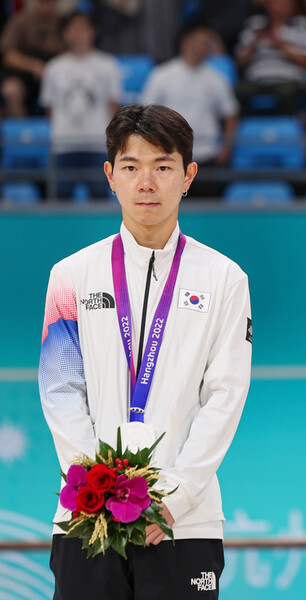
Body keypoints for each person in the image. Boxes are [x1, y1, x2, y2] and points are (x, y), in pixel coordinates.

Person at [39, 104, 252, 599]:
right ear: (110, 176)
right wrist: (101, 493)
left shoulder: (224, 278)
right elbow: (60, 390)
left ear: (188, 176)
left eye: (163, 166)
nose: (147, 182)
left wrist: (173, 497)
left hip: (185, 522)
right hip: (86, 518)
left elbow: (226, 395)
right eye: (131, 167)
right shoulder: (71, 276)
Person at [141, 23, 239, 197]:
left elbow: (230, 114)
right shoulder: (162, 75)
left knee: (206, 215)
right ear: (186, 42)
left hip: (207, 156)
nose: (205, 46)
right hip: (170, 155)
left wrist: (226, 147)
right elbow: (145, 113)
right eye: (202, 41)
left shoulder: (216, 78)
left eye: (207, 42)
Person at [40, 11, 121, 200]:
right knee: (59, 197)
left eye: (83, 28)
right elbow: (49, 108)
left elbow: (113, 106)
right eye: (73, 28)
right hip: (63, 144)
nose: (78, 33)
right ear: (65, 34)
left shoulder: (107, 65)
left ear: (93, 32)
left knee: (100, 196)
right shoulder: (54, 67)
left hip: (96, 144)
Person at [234, 0, 306, 116]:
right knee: (237, 92)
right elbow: (240, 61)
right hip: (258, 80)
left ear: (292, 5)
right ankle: (242, 131)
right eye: (275, 2)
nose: (279, 6)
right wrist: (254, 44)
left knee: (287, 92)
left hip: (289, 80)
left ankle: (286, 129)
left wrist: (280, 45)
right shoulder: (255, 24)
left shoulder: (302, 25)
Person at [0, 0, 64, 115]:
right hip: (24, 74)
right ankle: (20, 131)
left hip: (56, 74)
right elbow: (8, 55)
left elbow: (74, 55)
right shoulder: (20, 20)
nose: (47, 4)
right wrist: (33, 66)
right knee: (11, 90)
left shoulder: (63, 23)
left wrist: (56, 48)